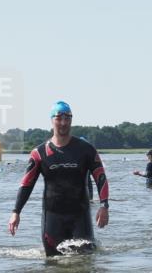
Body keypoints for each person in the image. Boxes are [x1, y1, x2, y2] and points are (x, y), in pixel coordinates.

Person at [8, 100, 109, 256]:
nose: (63, 123)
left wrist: (104, 206)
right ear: (52, 120)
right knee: (52, 266)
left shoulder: (85, 149)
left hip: (80, 217)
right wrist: (16, 212)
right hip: (52, 218)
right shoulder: (39, 153)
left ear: (71, 120)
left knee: (85, 262)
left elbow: (100, 177)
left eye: (67, 118)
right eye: (59, 118)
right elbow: (27, 184)